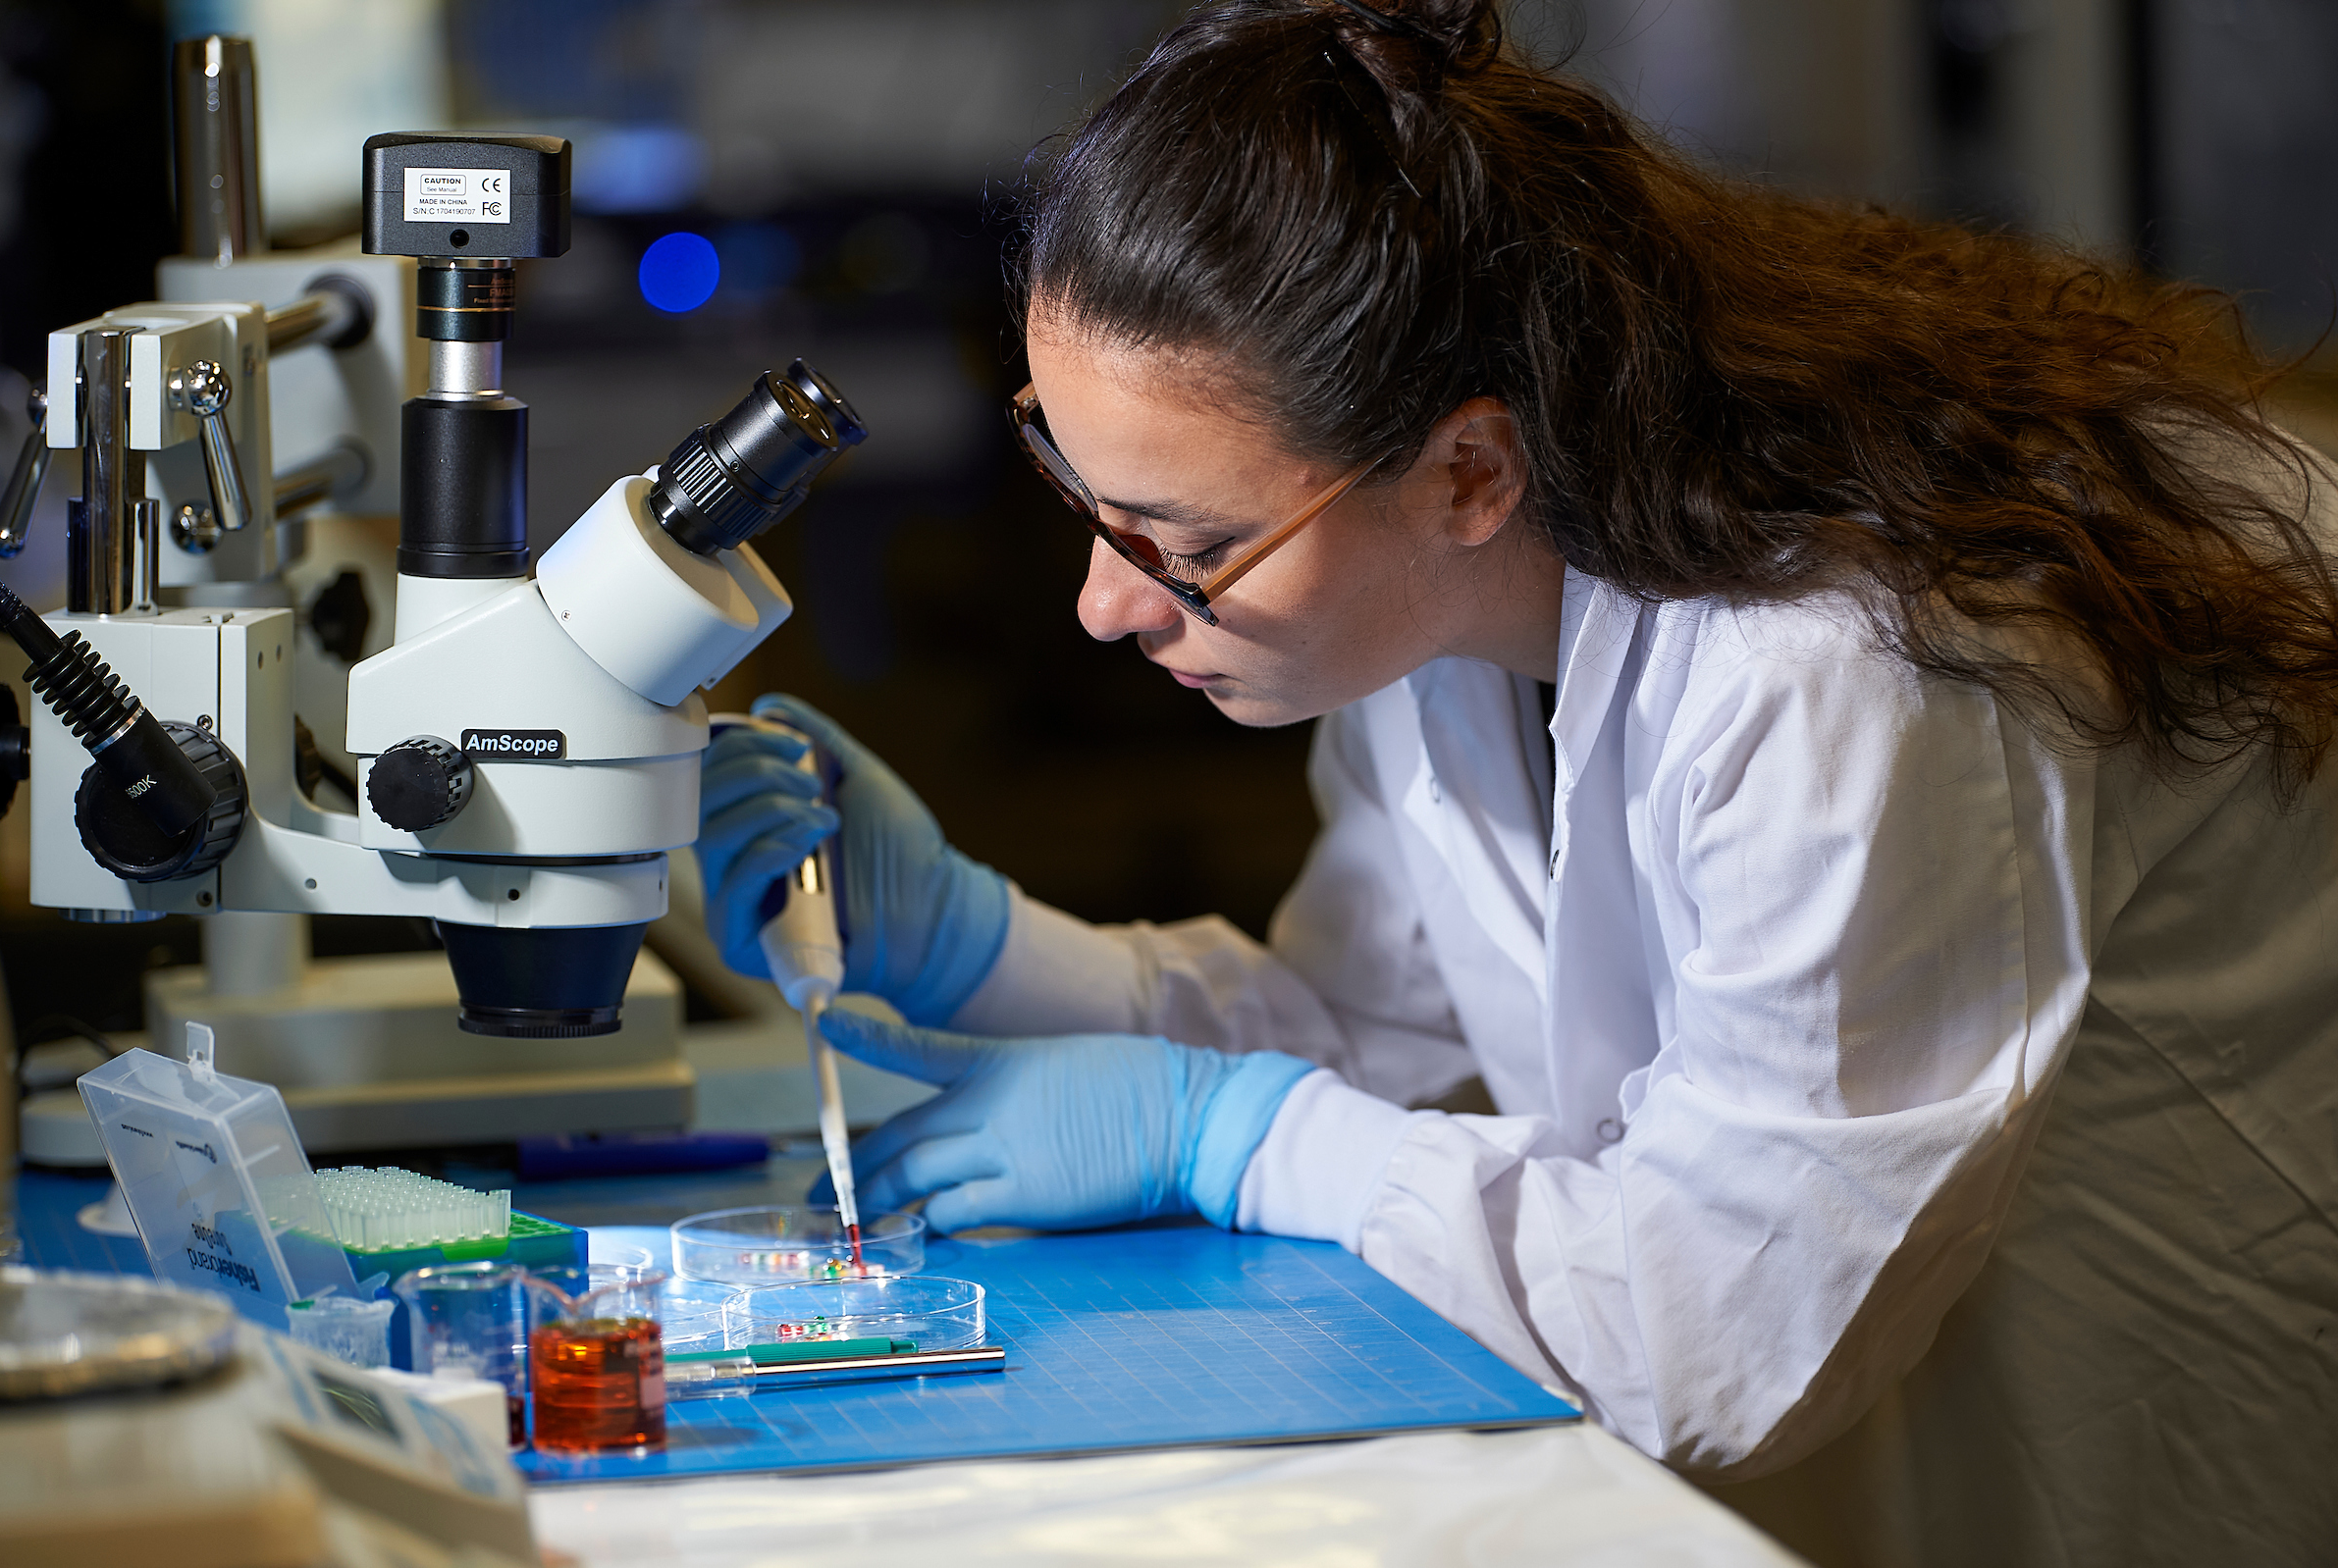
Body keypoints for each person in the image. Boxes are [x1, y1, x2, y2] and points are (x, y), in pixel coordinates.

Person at [696, 3, 2338, 1562]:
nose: (1105, 603)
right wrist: (996, 953)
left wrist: (1229, 1133)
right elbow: (1396, 1052)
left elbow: (1713, 1319)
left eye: (1181, 546)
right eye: (1080, 489)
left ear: (1470, 469)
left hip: (2136, 1420)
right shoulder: (1437, 600)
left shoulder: (1850, 665)